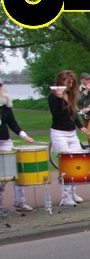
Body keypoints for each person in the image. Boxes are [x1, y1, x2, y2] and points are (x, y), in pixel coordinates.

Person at [48, 70, 90, 207]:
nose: (70, 85)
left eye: (72, 83)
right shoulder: (53, 97)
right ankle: (65, 196)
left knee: (76, 162)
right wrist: (60, 98)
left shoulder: (70, 95)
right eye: (68, 82)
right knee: (66, 164)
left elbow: (73, 112)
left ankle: (72, 192)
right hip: (59, 133)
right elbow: (57, 114)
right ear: (61, 82)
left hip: (72, 133)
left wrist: (80, 126)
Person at [0, 80, 37, 212]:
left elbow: (12, 123)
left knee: (15, 172)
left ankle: (19, 202)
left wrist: (24, 136)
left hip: (5, 142)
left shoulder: (5, 103)